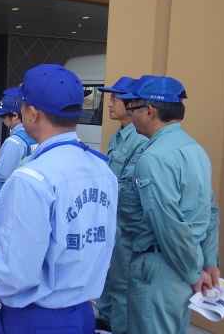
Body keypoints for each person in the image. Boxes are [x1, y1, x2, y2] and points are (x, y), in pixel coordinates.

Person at [0, 64, 118, 333]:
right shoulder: (102, 169)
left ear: (32, 113)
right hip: (82, 312)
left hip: (36, 318)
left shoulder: (30, 179)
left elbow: (17, 273)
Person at [115, 75, 220, 334]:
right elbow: (210, 211)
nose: (130, 113)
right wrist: (208, 262)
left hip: (163, 265)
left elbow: (167, 224)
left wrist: (195, 273)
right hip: (187, 262)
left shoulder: (153, 157)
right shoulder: (194, 148)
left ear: (149, 111)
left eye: (132, 107)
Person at [93, 77, 147, 334]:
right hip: (111, 219)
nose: (109, 104)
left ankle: (119, 327)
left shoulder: (140, 139)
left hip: (127, 224)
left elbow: (130, 186)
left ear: (132, 104)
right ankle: (104, 317)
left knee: (122, 283)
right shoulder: (119, 135)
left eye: (115, 99)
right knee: (108, 274)